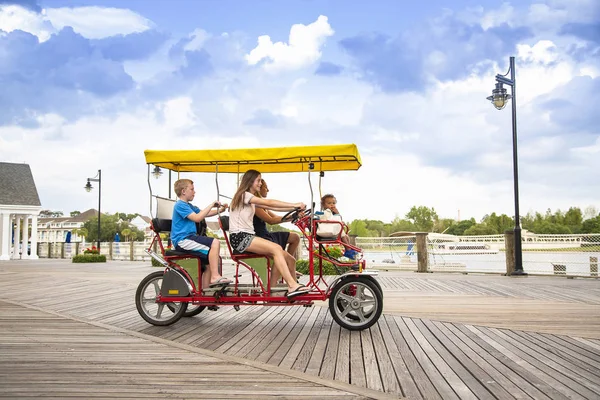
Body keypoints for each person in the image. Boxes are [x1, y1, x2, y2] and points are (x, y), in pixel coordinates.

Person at [229, 169, 310, 299]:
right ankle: (292, 285)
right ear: (250, 181)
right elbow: (269, 203)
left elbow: (273, 208)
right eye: (258, 180)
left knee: (290, 259)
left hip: (248, 237)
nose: (260, 183)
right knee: (277, 248)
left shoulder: (251, 199)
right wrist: (294, 204)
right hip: (241, 238)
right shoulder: (245, 195)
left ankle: (277, 290)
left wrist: (293, 209)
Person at [171, 178, 231, 289]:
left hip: (190, 238)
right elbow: (198, 218)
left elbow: (204, 213)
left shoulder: (189, 206)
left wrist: (221, 210)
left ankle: (205, 294)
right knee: (215, 242)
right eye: (192, 189)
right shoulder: (180, 205)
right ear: (183, 191)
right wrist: (212, 204)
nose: (194, 192)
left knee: (208, 264)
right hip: (182, 240)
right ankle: (215, 276)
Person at [252, 178, 302, 282]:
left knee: (295, 237)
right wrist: (292, 215)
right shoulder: (256, 206)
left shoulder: (262, 205)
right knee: (283, 255)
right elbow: (271, 220)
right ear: (259, 189)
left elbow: (276, 217)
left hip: (266, 234)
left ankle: (287, 267)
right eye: (266, 187)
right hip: (261, 237)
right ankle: (287, 271)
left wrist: (293, 216)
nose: (267, 190)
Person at [320, 194, 355, 259]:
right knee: (342, 232)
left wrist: (337, 213)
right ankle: (348, 250)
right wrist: (337, 215)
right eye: (329, 203)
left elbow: (336, 220)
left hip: (331, 230)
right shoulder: (324, 212)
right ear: (324, 205)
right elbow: (319, 216)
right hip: (326, 231)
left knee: (345, 236)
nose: (332, 205)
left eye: (333, 203)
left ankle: (348, 250)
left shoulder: (331, 213)